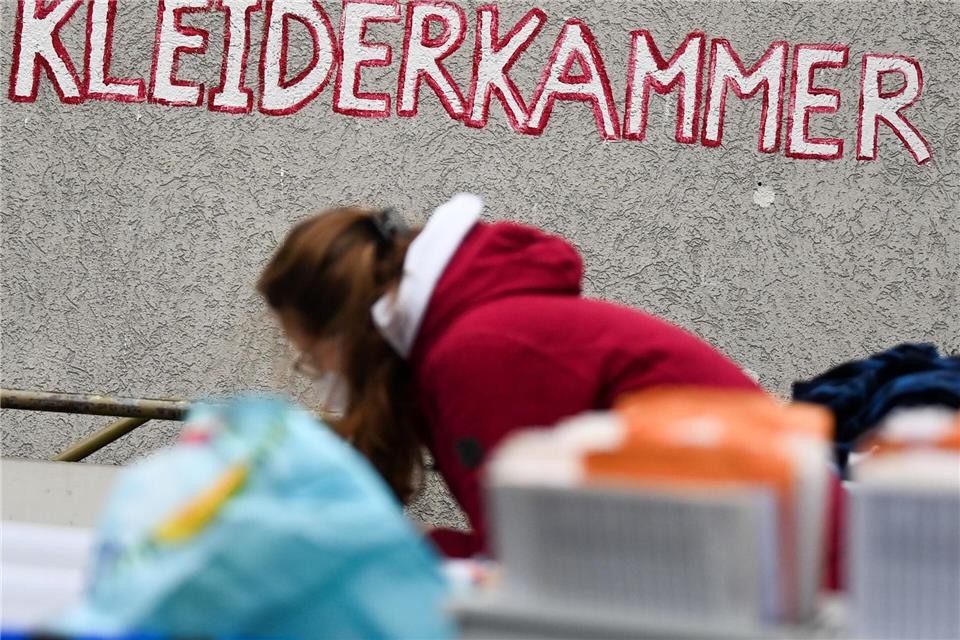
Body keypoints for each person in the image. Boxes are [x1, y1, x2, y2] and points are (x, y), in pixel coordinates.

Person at [257, 193, 762, 558]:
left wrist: (387, 552)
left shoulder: (478, 354)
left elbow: (527, 571)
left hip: (768, 582)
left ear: (349, 328)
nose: (316, 371)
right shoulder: (472, 340)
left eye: (311, 353)